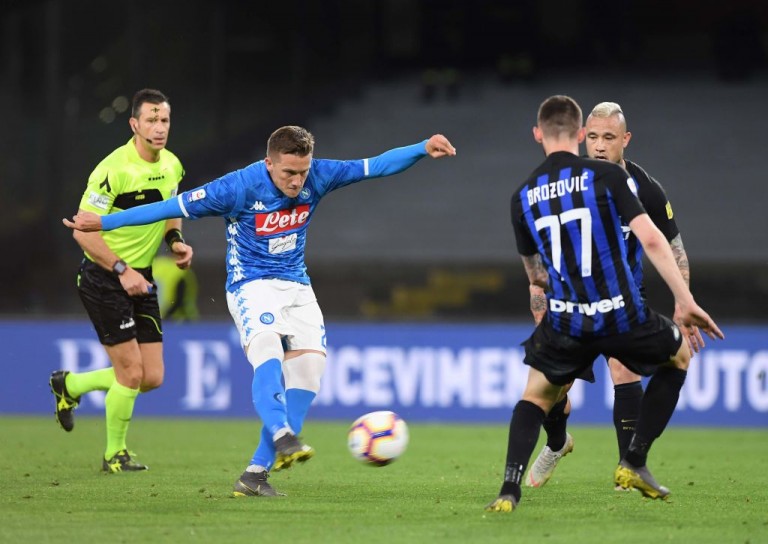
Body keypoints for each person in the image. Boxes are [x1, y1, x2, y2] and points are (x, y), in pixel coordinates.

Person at [63, 125, 456, 496]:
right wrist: (105, 222)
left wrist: (422, 148)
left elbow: (376, 165)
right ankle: (282, 432)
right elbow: (169, 206)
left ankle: (254, 475)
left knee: (309, 373)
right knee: (267, 350)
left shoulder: (319, 174)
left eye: (302, 172)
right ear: (269, 163)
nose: (297, 181)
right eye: (289, 173)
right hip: (251, 286)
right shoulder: (237, 187)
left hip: (297, 286)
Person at [485, 95, 723, 513]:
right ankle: (561, 443)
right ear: (581, 136)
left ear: (625, 140)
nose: (598, 145)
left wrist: (680, 297)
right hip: (590, 304)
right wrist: (541, 314)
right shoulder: (596, 179)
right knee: (556, 396)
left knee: (609, 373)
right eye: (592, 136)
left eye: (608, 138)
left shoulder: (636, 188)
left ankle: (618, 469)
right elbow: (650, 242)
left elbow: (671, 246)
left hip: (613, 299)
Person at [49, 88, 194, 473]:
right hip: (104, 277)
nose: (159, 128)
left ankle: (71, 386)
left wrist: (175, 242)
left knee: (153, 377)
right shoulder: (112, 170)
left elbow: (171, 209)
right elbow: (82, 231)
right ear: (134, 124)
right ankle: (115, 454)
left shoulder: (173, 165)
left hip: (140, 278)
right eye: (151, 120)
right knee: (130, 373)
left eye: (164, 120)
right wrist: (121, 270)